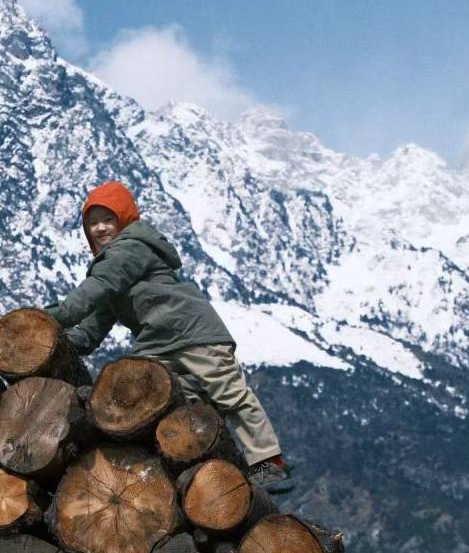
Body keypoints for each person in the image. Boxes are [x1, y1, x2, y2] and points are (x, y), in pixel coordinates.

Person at [44, 180, 293, 493]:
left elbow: (89, 295)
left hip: (192, 332)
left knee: (228, 394)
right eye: (92, 223)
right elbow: (92, 329)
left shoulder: (128, 249)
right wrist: (53, 341)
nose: (100, 228)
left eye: (108, 219)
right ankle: (209, 476)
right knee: (155, 401)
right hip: (157, 343)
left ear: (125, 220)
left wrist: (49, 317)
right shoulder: (113, 269)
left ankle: (268, 461)